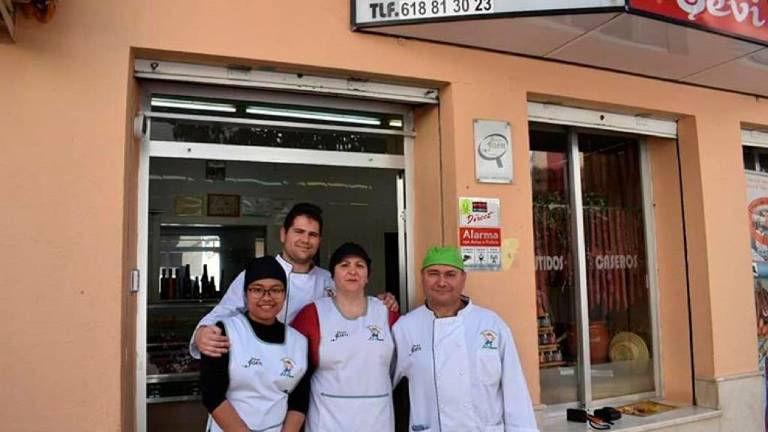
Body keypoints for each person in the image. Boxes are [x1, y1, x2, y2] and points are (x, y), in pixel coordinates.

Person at [191, 203, 399, 358]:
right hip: (260, 361)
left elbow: (355, 305)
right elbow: (224, 312)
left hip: (310, 368)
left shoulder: (328, 279)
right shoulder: (255, 275)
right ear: (283, 234)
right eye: (298, 232)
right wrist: (202, 333)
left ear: (320, 240)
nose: (305, 240)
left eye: (312, 234)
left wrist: (384, 302)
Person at [392, 246, 539, 432]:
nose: (442, 282)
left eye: (450, 274)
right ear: (422, 277)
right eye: (433, 273)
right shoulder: (406, 328)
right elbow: (377, 384)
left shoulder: (492, 325)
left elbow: (515, 392)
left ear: (463, 279)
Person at [291, 242, 399, 432]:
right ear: (332, 275)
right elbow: (292, 371)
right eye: (344, 265)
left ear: (367, 275)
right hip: (326, 420)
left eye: (360, 265)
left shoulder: (387, 314)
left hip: (377, 419)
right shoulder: (312, 314)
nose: (352, 271)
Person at [200, 256, 308, 432]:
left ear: (285, 294)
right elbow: (212, 395)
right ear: (245, 294)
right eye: (257, 290)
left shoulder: (298, 342)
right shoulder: (224, 332)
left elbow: (299, 400)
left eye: (276, 290)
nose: (267, 297)